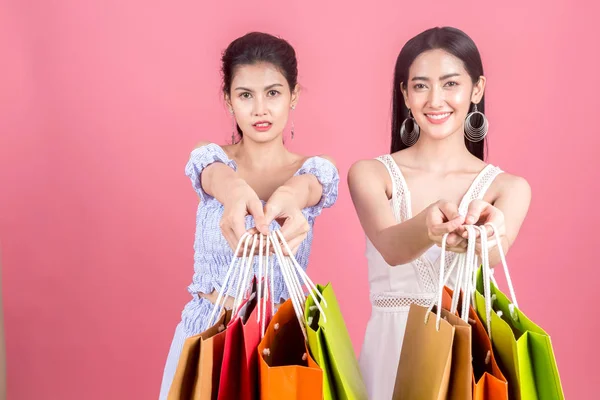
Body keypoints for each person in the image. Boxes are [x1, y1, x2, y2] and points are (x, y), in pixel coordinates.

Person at [348, 26, 531, 399]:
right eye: (420, 86)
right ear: (405, 93)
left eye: (450, 84)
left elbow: (496, 252)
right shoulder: (371, 174)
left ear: (476, 89)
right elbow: (392, 248)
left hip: (466, 355)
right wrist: (428, 227)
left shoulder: (508, 188)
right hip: (390, 354)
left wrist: (484, 236)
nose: (435, 100)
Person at [158, 32, 339, 399]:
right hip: (208, 329)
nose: (260, 109)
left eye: (273, 93)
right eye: (245, 95)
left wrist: (290, 193)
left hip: (284, 343)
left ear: (294, 96)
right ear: (228, 101)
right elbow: (214, 176)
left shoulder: (313, 170)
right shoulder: (211, 159)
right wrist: (236, 191)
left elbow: (310, 187)